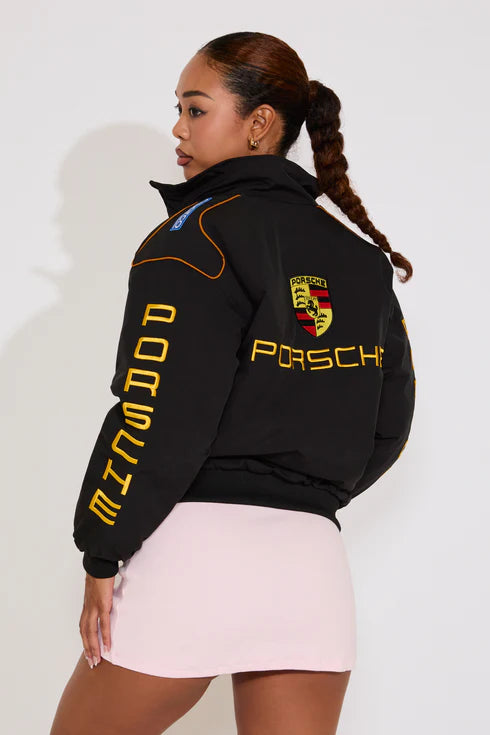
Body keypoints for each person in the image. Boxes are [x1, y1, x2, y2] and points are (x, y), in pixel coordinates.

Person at [50, 31, 416, 735]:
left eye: (195, 109)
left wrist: (102, 546)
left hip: (195, 551)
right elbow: (389, 425)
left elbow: (156, 410)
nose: (178, 129)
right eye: (178, 111)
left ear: (259, 123)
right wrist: (302, 491)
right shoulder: (360, 258)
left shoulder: (194, 239)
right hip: (310, 566)